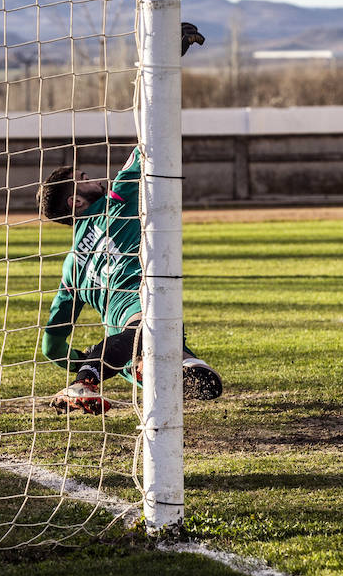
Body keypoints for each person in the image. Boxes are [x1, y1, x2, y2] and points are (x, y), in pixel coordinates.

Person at [36, 147, 223, 415]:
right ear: (75, 202)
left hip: (116, 340)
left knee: (187, 364)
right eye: (85, 177)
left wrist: (81, 357)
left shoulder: (71, 265)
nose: (97, 179)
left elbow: (51, 347)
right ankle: (85, 381)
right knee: (153, 326)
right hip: (139, 302)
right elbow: (145, 149)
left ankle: (156, 365)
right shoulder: (117, 199)